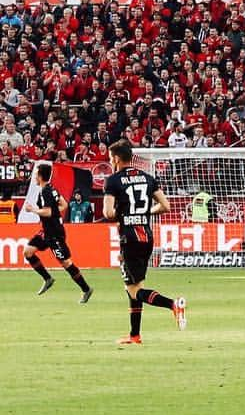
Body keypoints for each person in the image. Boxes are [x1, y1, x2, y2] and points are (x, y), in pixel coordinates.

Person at [102, 138, 186, 346]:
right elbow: (165, 206)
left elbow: (108, 212)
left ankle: (173, 304)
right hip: (146, 237)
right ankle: (134, 335)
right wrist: (145, 212)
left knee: (133, 290)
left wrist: (123, 213)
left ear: (118, 159)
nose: (110, 162)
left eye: (111, 158)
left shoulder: (112, 181)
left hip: (128, 238)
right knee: (134, 286)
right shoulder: (148, 178)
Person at [21, 164, 93, 302]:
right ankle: (47, 278)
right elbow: (64, 204)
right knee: (28, 252)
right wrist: (54, 215)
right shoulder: (51, 188)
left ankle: (86, 289)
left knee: (66, 263)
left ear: (40, 176)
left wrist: (33, 210)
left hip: (55, 234)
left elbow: (48, 211)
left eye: (36, 174)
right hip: (46, 231)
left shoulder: (45, 192)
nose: (34, 176)